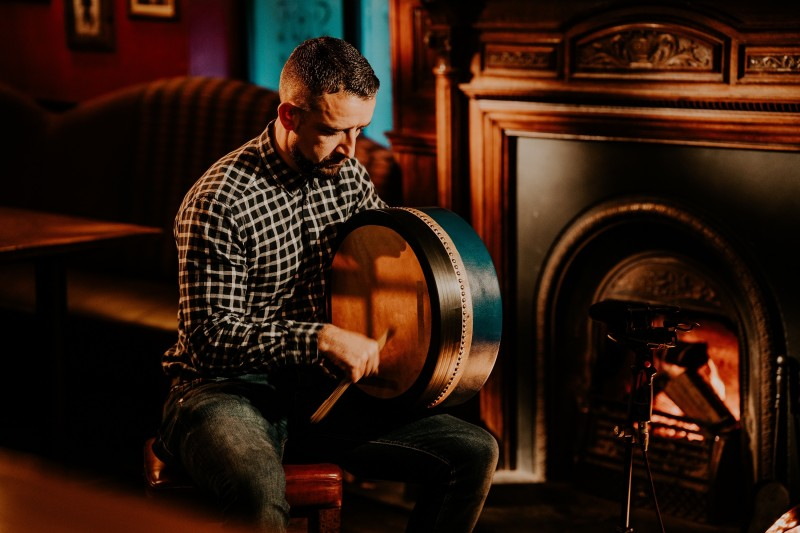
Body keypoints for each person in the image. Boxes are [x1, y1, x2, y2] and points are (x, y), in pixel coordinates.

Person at [154, 36, 498, 532]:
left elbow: (386, 248)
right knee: (257, 491)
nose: (351, 148)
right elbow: (210, 341)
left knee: (473, 451)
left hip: (317, 394)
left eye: (361, 129)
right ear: (289, 116)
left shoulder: (347, 175)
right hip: (222, 392)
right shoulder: (220, 200)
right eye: (334, 131)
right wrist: (318, 338)